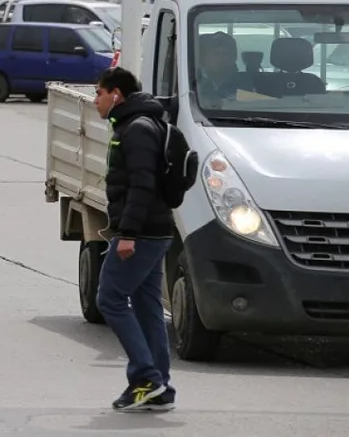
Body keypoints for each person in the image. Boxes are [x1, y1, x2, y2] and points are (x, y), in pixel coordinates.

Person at [93, 66, 176, 413]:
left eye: (99, 93)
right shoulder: (140, 123)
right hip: (153, 231)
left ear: (117, 95)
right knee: (146, 307)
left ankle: (147, 377)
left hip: (141, 233)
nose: (95, 100)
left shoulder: (136, 128)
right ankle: (160, 389)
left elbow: (142, 185)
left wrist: (126, 234)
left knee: (109, 299)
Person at [195, 31, 245, 101]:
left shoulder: (245, 84)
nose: (222, 59)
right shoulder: (193, 83)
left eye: (226, 54)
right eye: (216, 54)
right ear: (203, 58)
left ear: (233, 58)